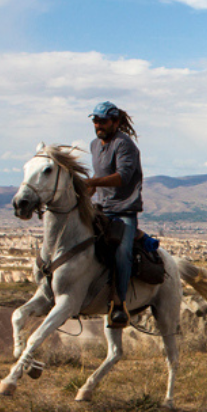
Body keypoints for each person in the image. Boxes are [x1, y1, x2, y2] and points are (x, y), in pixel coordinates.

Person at [83, 101, 143, 328]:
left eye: (103, 120)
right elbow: (98, 180)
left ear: (115, 122)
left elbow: (122, 177)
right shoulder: (94, 145)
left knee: (122, 253)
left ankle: (119, 303)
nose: (98, 124)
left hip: (123, 211)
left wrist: (93, 181)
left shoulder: (124, 145)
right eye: (95, 120)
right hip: (101, 208)